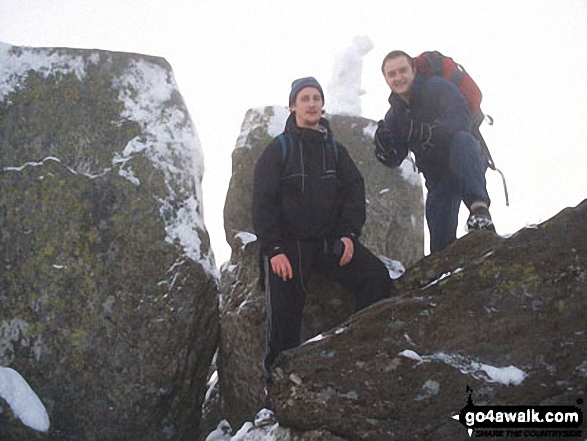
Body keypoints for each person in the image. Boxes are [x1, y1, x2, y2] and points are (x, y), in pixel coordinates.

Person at [253, 77, 394, 375]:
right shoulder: (279, 149)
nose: (312, 103)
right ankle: (277, 387)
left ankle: (355, 352)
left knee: (377, 278)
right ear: (293, 106)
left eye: (316, 97)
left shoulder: (336, 151)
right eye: (305, 98)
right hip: (289, 249)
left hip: (331, 243)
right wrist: (273, 249)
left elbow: (355, 191)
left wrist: (348, 235)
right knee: (284, 322)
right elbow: (263, 203)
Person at [374, 50, 495, 253]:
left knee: (462, 140)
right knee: (440, 248)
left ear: (413, 70)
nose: (398, 78)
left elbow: (461, 120)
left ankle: (479, 211)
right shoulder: (394, 115)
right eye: (392, 74)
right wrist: (384, 149)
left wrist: (429, 133)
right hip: (438, 178)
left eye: (402, 70)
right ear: (386, 79)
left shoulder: (438, 88)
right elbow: (394, 158)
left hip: (465, 161)